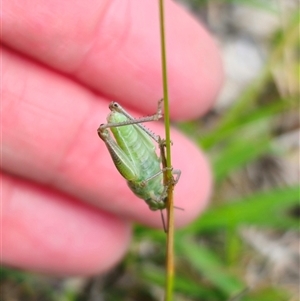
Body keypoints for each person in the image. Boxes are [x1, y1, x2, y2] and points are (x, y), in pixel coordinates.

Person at [1, 0, 223, 276]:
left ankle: (137, 122)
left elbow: (147, 180)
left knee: (136, 175)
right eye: (161, 203)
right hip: (140, 146)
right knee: (143, 154)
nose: (160, 202)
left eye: (158, 204)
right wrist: (167, 169)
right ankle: (149, 117)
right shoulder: (164, 183)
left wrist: (159, 173)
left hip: (135, 162)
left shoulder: (148, 192)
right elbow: (173, 170)